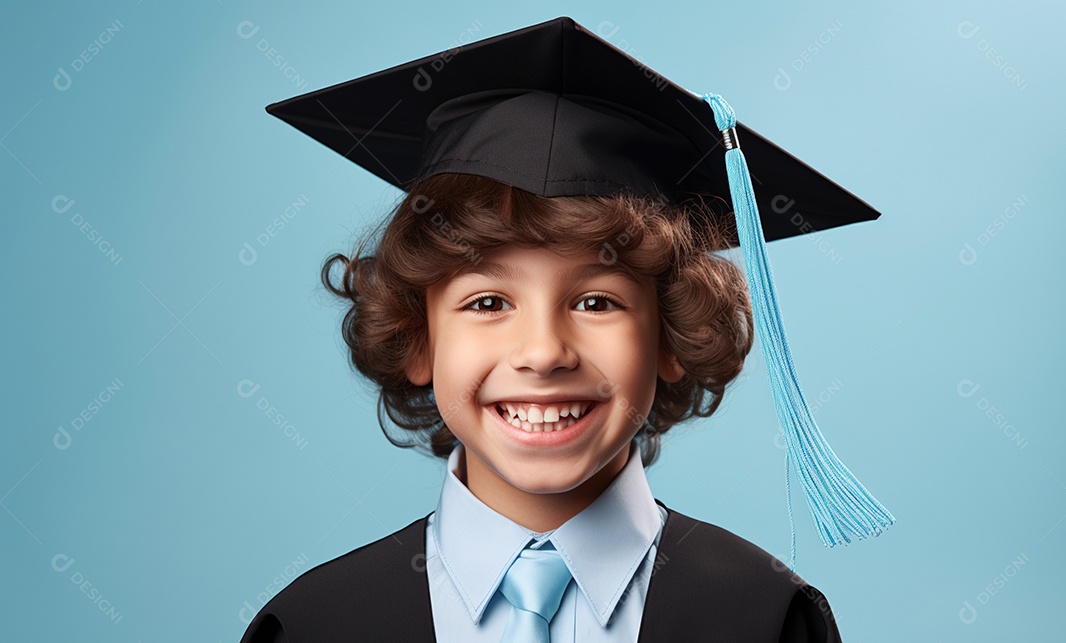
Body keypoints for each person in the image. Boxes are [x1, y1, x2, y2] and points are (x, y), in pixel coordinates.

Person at [240, 16, 892, 642]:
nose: (544, 352)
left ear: (670, 337)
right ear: (417, 336)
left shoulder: (760, 616)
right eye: (489, 302)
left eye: (597, 302)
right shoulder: (317, 624)